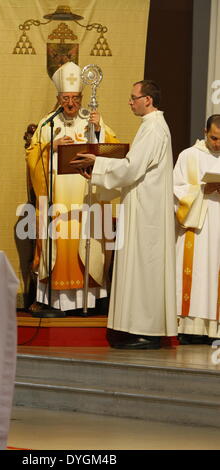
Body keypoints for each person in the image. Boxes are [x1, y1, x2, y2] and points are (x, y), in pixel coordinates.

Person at [70, 80, 177, 349]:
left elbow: (131, 168)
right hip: (142, 205)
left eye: (133, 98)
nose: (130, 102)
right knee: (139, 266)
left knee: (144, 267)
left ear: (148, 100)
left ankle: (147, 331)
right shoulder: (151, 127)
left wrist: (97, 163)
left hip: (147, 212)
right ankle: (136, 328)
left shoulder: (153, 129)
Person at [26, 61, 119, 313]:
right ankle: (54, 302)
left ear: (81, 97)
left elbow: (111, 149)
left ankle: (85, 303)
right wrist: (51, 147)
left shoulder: (92, 120)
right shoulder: (47, 124)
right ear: (58, 98)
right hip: (57, 199)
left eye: (75, 98)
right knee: (58, 243)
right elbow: (32, 157)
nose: (70, 103)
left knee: (85, 241)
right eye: (66, 98)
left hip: (85, 198)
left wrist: (98, 131)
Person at [173, 114, 220, 344]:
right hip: (196, 226)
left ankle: (215, 330)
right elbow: (177, 190)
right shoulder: (189, 156)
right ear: (204, 132)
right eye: (214, 138)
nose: (218, 144)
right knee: (196, 272)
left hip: (218, 228)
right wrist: (203, 189)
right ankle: (189, 328)